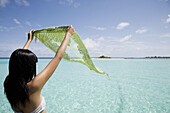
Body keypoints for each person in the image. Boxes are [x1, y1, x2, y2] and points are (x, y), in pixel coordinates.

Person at [4, 25, 74, 113]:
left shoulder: (8, 83)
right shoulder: (33, 86)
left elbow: (18, 62)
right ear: (28, 68)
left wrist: (29, 40)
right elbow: (58, 57)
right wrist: (68, 34)